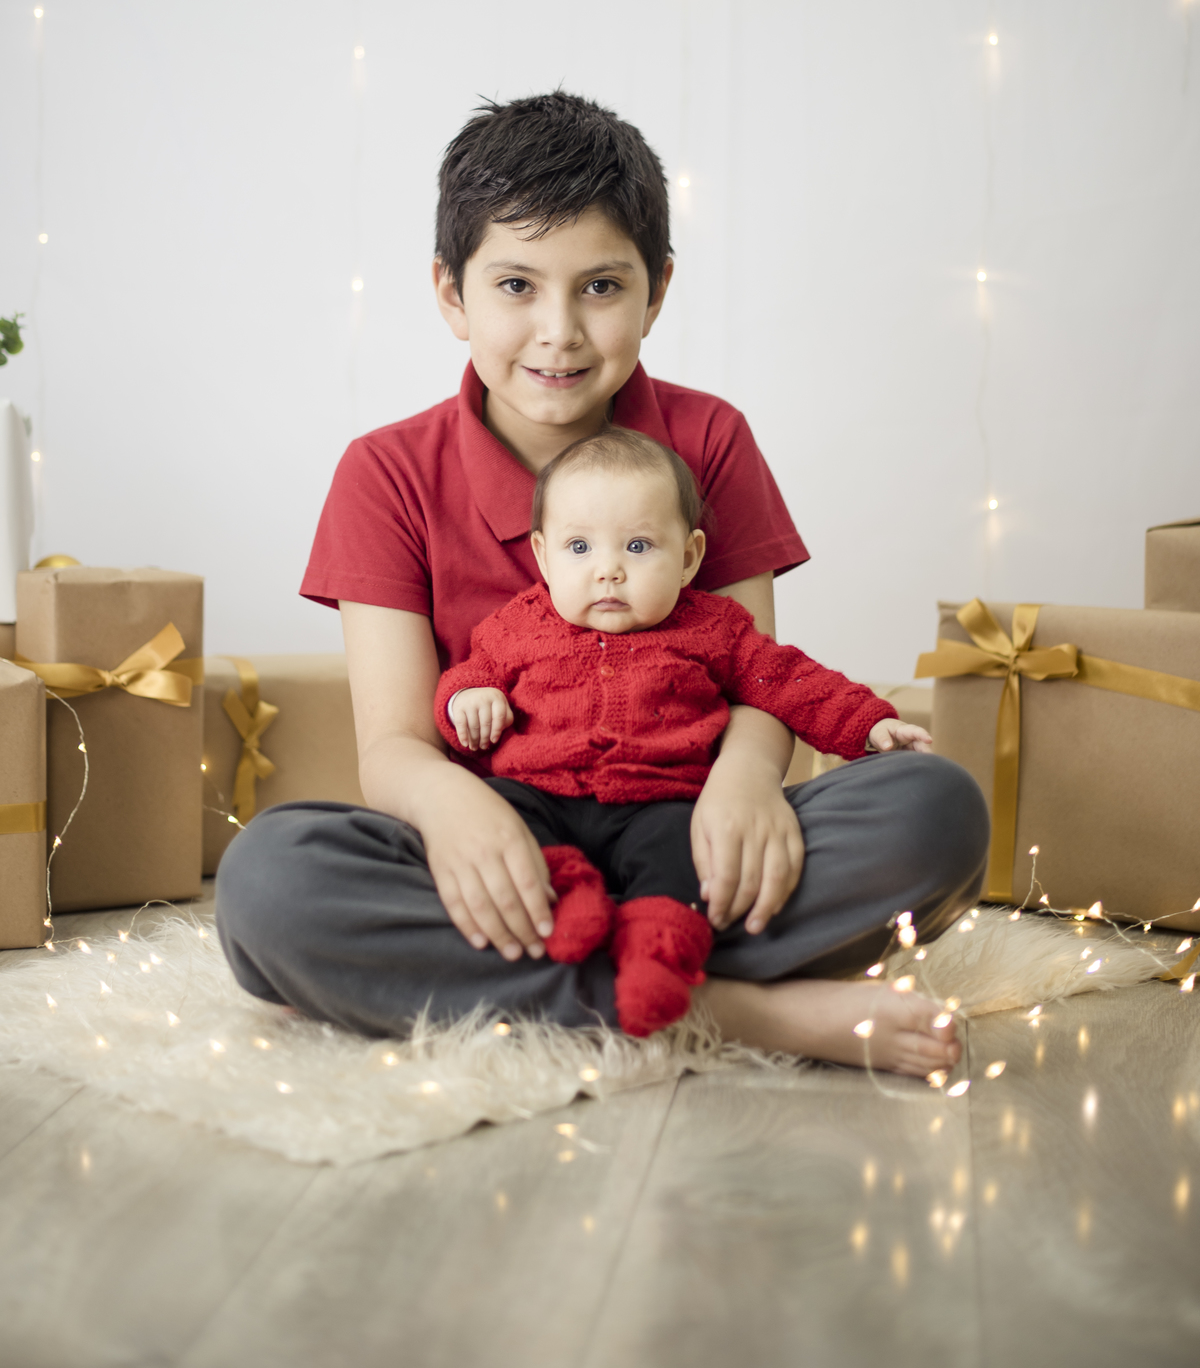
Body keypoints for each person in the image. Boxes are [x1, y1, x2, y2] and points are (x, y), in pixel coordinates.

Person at [216, 90, 988, 1078]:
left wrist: (749, 781)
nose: (558, 332)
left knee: (933, 808)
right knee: (273, 884)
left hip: (686, 831)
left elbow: (757, 677)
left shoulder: (711, 440)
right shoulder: (386, 471)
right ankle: (738, 1007)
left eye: (600, 287)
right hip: (517, 854)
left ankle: (542, 978)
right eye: (515, 285)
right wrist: (460, 813)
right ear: (450, 293)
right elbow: (395, 748)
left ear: (657, 290)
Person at [437, 424, 931, 1039]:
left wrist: (868, 722)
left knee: (687, 851)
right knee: (499, 817)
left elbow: (792, 681)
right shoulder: (517, 625)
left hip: (658, 803)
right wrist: (469, 700)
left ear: (689, 557)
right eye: (580, 548)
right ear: (543, 555)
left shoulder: (714, 627)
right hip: (542, 795)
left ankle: (657, 951)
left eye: (638, 547)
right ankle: (563, 895)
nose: (608, 572)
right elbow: (467, 677)